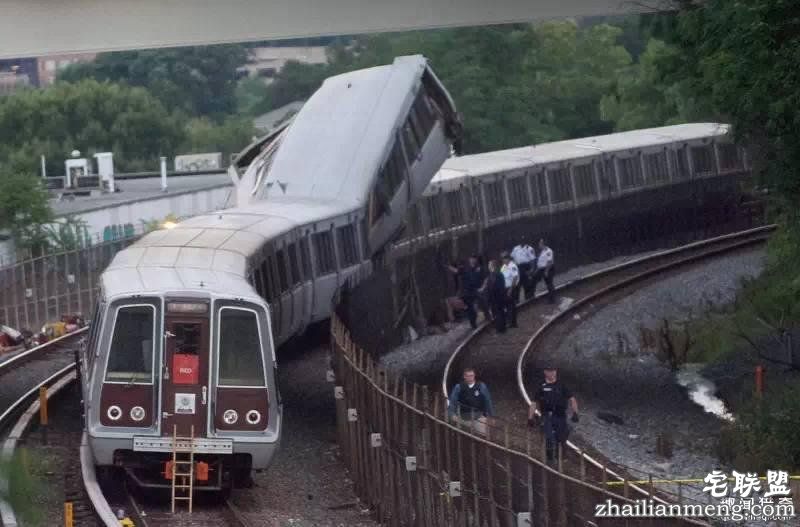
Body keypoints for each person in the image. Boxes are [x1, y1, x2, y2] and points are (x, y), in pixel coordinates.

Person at [528, 365, 579, 462]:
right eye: (549, 371)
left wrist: (575, 413)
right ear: (545, 372)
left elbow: (572, 399)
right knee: (549, 438)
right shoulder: (541, 386)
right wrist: (530, 418)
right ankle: (550, 459)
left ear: (556, 372)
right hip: (546, 416)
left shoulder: (562, 385)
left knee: (561, 438)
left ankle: (561, 457)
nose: (551, 373)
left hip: (560, 416)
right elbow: (534, 403)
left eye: (553, 371)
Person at [448, 367, 494, 436]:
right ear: (464, 377)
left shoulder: (481, 386)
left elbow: (487, 401)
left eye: (471, 376)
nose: (470, 378)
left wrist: (490, 416)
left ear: (474, 376)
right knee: (463, 437)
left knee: (482, 437)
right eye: (468, 376)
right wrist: (452, 414)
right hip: (464, 417)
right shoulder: (458, 387)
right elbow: (453, 401)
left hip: (478, 417)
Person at [447, 255, 485, 329]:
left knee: (472, 309)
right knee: (471, 309)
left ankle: (473, 319)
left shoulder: (478, 268)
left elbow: (480, 278)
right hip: (466, 293)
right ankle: (473, 323)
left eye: (474, 259)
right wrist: (449, 266)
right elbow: (456, 271)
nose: (472, 260)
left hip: (474, 291)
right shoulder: (465, 269)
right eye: (471, 259)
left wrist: (481, 287)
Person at [481, 260, 507, 333]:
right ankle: (502, 328)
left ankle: (500, 328)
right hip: (500, 296)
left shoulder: (493, 275)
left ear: (493, 266)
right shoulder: (500, 274)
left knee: (497, 313)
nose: (488, 267)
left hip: (495, 297)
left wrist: (488, 296)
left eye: (489, 265)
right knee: (500, 312)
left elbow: (492, 287)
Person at [530, 238, 556, 304]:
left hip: (548, 268)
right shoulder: (541, 251)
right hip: (541, 269)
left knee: (549, 283)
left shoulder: (548, 251)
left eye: (540, 243)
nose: (538, 244)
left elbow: (549, 262)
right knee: (534, 279)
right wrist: (536, 270)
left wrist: (546, 271)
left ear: (543, 244)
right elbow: (540, 262)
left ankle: (552, 299)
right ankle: (531, 295)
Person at [500, 252, 520, 328]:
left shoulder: (512, 266)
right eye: (502, 259)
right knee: (508, 306)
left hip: (511, 288)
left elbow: (515, 278)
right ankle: (510, 322)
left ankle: (512, 323)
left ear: (508, 258)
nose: (503, 260)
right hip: (505, 288)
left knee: (511, 306)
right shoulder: (504, 267)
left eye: (505, 258)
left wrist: (511, 289)